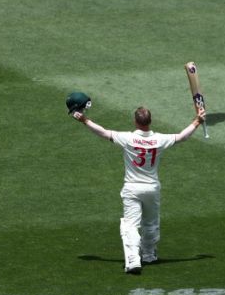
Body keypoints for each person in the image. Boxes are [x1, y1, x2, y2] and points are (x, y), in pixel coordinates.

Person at [72, 104, 206, 274]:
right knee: (151, 223)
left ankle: (134, 260)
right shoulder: (159, 139)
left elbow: (103, 132)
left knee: (130, 225)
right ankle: (149, 254)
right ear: (150, 121)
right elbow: (181, 137)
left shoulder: (127, 138)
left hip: (132, 188)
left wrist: (84, 119)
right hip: (152, 188)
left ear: (135, 121)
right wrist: (197, 121)